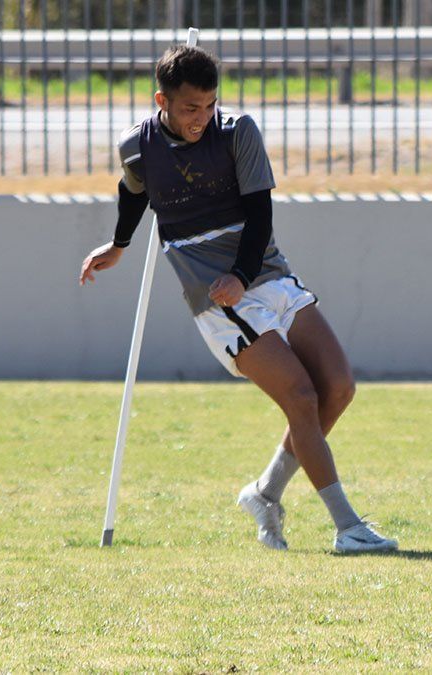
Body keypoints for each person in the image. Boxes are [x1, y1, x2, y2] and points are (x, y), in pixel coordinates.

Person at [78, 43, 396, 555]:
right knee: (301, 397)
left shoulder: (238, 131)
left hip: (262, 274)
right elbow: (134, 191)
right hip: (216, 297)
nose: (202, 118)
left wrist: (244, 275)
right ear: (162, 100)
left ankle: (265, 493)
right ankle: (348, 528)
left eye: (209, 105)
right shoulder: (136, 146)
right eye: (189, 108)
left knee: (338, 387)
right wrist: (118, 247)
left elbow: (260, 213)